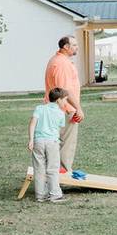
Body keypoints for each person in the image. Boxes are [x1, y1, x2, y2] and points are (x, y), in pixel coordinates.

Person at [43, 36, 84, 174]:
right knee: (66, 143)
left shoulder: (57, 60)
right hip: (64, 109)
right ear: (66, 47)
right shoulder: (62, 64)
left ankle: (53, 173)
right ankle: (61, 174)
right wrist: (76, 109)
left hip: (56, 108)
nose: (77, 47)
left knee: (56, 142)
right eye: (74, 45)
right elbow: (65, 91)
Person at [28, 87, 69, 203]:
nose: (66, 102)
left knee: (39, 168)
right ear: (58, 100)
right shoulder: (61, 114)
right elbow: (60, 129)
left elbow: (32, 124)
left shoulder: (39, 108)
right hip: (52, 143)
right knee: (52, 168)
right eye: (65, 100)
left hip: (38, 142)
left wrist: (31, 140)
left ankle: (40, 196)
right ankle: (55, 194)